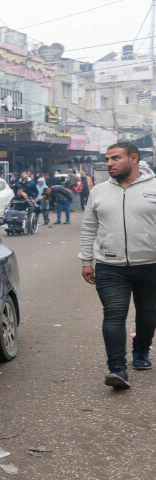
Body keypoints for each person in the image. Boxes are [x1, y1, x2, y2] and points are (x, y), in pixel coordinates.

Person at [79, 143, 156, 389]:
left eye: (115, 158)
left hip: (151, 264)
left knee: (148, 314)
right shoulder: (99, 191)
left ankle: (141, 351)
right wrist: (86, 261)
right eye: (107, 159)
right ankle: (117, 369)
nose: (109, 163)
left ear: (133, 159)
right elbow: (89, 227)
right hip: (109, 266)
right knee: (113, 315)